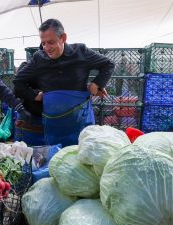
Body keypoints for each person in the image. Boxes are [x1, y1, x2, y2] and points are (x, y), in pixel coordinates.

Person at [14, 19, 115, 147]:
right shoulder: (39, 58)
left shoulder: (81, 51)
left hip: (80, 120)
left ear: (63, 38)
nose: (47, 48)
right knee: (56, 158)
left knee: (83, 153)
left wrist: (97, 83)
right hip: (54, 125)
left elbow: (108, 64)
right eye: (43, 43)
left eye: (51, 42)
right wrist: (33, 95)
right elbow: (18, 82)